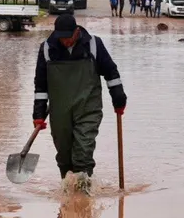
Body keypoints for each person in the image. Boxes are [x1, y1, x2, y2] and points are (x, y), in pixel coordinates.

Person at [33, 14, 127, 193]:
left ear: (76, 32)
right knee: (64, 157)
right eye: (61, 38)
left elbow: (111, 73)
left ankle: (84, 197)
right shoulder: (47, 49)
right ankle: (68, 197)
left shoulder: (93, 45)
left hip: (88, 108)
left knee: (82, 153)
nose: (65, 41)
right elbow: (41, 85)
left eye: (68, 37)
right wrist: (38, 114)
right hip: (60, 112)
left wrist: (119, 98)